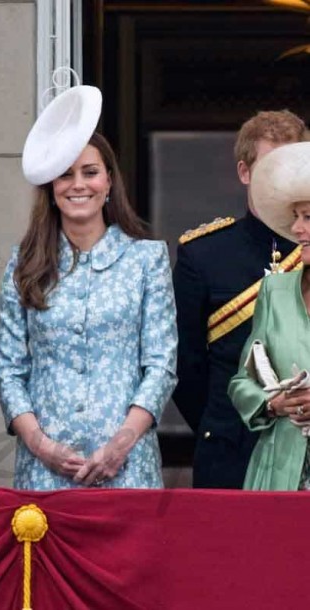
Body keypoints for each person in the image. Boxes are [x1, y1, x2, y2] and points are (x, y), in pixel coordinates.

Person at [0, 84, 177, 490]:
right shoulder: (24, 263)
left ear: (109, 182)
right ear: (51, 189)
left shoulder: (146, 260)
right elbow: (8, 371)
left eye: (90, 172)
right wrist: (42, 447)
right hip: (45, 471)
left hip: (128, 467)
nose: (78, 185)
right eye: (65, 175)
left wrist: (120, 446)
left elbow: (161, 366)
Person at [173, 109, 306, 488]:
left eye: (294, 166)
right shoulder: (203, 253)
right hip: (232, 449)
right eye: (271, 168)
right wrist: (223, 424)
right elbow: (187, 365)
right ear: (245, 173)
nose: (286, 180)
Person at [229, 141, 310, 490]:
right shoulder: (274, 292)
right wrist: (272, 402)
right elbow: (242, 381)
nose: (297, 229)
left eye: (309, 218)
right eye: (296, 217)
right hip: (278, 473)